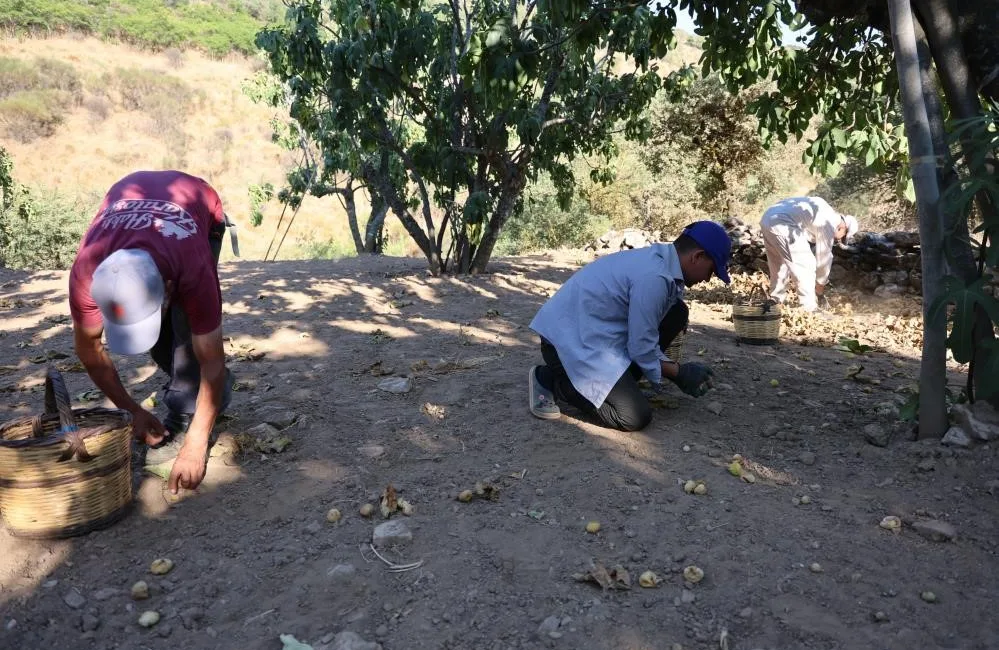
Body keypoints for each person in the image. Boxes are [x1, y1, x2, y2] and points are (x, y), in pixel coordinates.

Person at [69, 170, 234, 494]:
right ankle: (196, 391)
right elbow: (89, 350)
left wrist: (195, 445)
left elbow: (212, 360)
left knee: (188, 337)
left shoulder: (191, 265)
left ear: (169, 288)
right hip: (131, 196)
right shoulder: (86, 272)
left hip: (198, 205)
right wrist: (132, 412)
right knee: (162, 343)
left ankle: (187, 409)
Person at [527, 221, 732, 432]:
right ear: (697, 256)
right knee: (633, 416)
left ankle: (617, 383)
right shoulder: (655, 277)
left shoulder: (659, 262)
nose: (708, 279)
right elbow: (641, 348)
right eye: (711, 270)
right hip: (565, 344)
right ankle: (553, 380)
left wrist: (671, 369)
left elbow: (645, 334)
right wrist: (678, 373)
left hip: (592, 333)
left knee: (676, 312)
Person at [759, 196, 859, 312]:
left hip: (768, 217)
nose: (838, 240)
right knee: (807, 264)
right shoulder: (829, 223)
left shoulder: (823, 209)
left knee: (778, 262)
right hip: (783, 222)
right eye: (842, 237)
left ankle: (775, 300)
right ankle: (809, 308)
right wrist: (820, 288)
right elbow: (824, 258)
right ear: (843, 228)